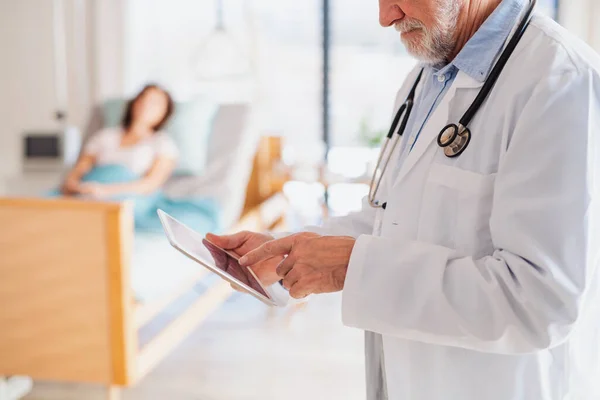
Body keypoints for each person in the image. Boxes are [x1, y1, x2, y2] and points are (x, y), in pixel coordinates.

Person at [208, 0, 600, 399]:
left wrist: (351, 266)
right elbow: (389, 215)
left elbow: (539, 302)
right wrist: (284, 249)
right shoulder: (427, 77)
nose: (385, 16)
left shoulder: (560, 79)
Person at [60, 84, 178, 199]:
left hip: (131, 198)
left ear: (165, 113)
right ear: (134, 103)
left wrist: (106, 191)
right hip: (88, 192)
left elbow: (150, 184)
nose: (146, 105)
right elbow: (80, 168)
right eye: (143, 98)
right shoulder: (104, 136)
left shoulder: (163, 144)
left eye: (155, 103)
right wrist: (74, 185)